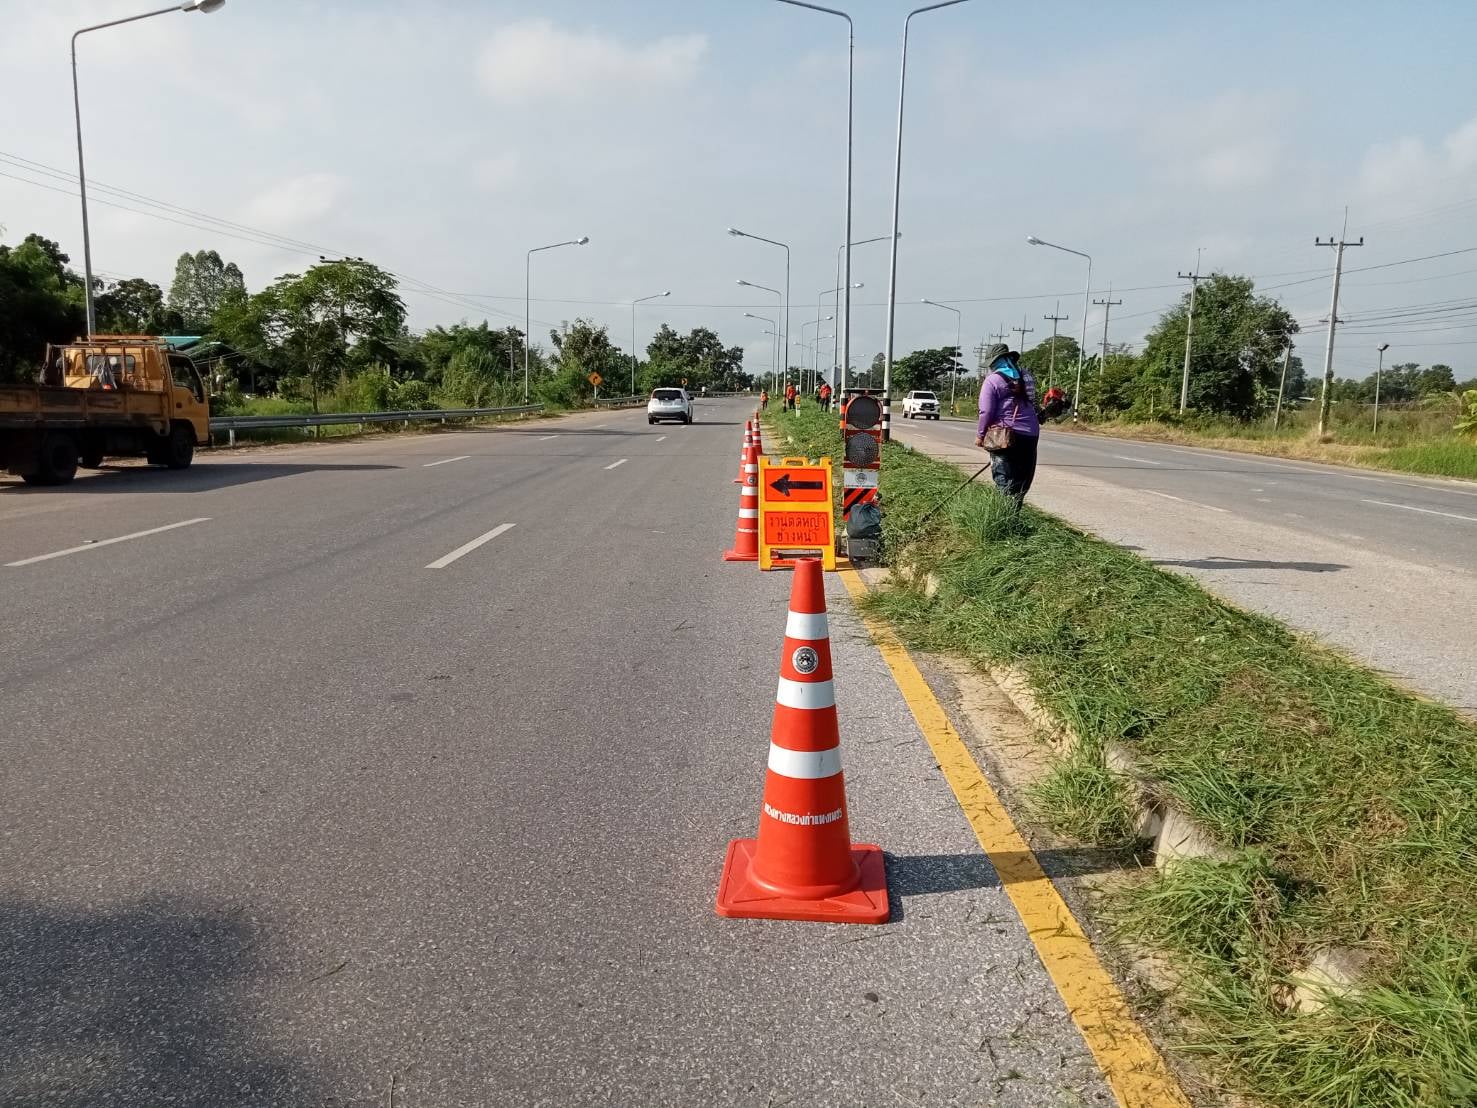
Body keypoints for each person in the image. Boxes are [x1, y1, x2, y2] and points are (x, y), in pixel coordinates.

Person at [975, 343, 1040, 505]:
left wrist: (980, 436)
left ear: (995, 362)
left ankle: (1003, 518)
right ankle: (1013, 515)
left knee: (1005, 483)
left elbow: (986, 411)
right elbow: (1032, 401)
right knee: (1021, 483)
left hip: (1004, 436)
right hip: (1030, 434)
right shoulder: (1026, 376)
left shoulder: (993, 380)